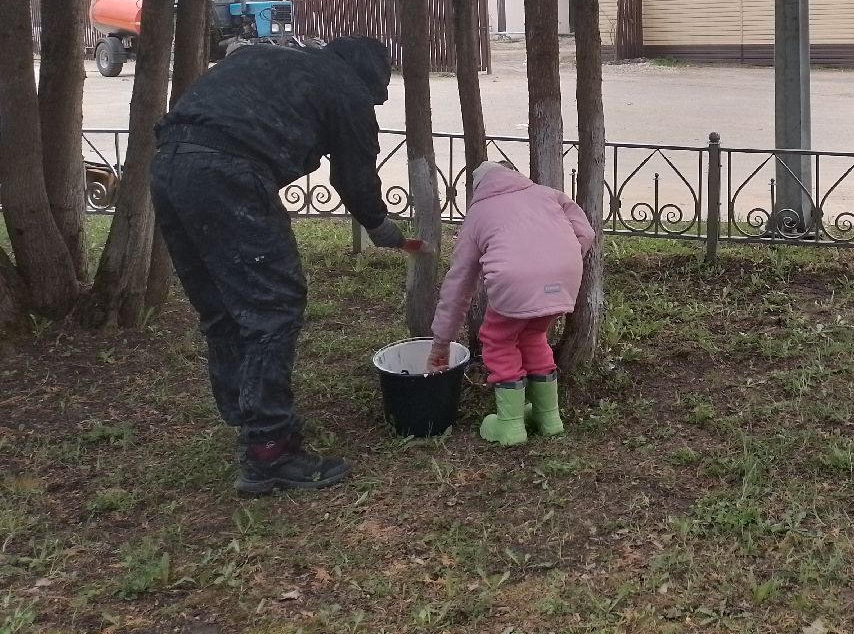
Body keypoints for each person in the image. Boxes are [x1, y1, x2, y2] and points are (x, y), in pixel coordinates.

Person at [151, 36, 412, 495]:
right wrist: (380, 227)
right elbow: (353, 176)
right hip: (229, 173)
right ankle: (270, 451)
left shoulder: (272, 56)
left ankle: (250, 420)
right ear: (369, 76)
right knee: (273, 306)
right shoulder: (345, 86)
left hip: (170, 167)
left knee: (222, 307)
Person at [427, 160, 595, 446]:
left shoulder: (479, 213)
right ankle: (549, 417)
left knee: (498, 338)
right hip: (562, 282)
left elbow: (459, 284)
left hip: (515, 285)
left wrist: (441, 344)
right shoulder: (548, 194)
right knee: (533, 334)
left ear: (477, 188)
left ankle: (510, 425)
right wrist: (556, 263)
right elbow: (586, 233)